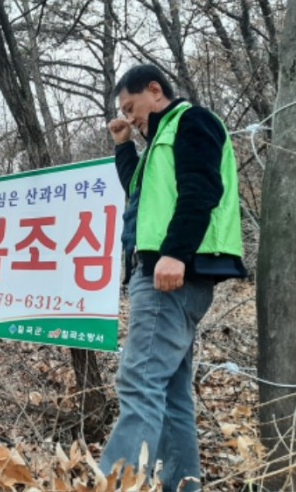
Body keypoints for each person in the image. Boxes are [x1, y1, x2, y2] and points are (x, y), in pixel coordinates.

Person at [100, 65, 247, 491]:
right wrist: (123, 146)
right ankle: (182, 486)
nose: (129, 117)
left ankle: (116, 485)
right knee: (169, 392)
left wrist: (174, 254)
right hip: (165, 274)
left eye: (131, 107)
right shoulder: (157, 144)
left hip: (170, 274)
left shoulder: (191, 121)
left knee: (140, 381)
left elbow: (202, 188)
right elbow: (138, 197)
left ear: (154, 89)